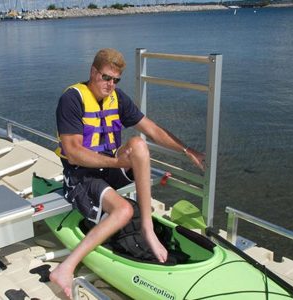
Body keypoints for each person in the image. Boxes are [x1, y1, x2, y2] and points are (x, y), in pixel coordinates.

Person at [50, 48, 205, 298]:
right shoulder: (72, 99)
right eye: (106, 77)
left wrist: (187, 149)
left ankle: (147, 227)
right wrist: (116, 163)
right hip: (80, 176)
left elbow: (152, 130)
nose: (110, 85)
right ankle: (65, 267)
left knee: (139, 146)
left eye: (115, 80)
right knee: (124, 210)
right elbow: (74, 151)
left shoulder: (117, 98)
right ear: (93, 72)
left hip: (107, 168)